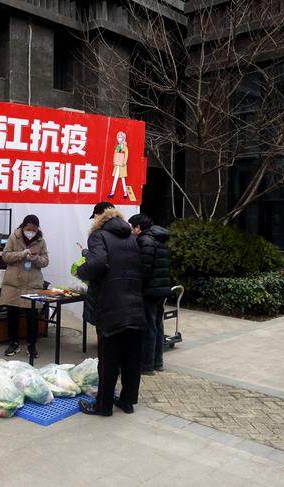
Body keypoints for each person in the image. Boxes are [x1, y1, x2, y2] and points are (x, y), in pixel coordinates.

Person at [76, 202, 145, 416]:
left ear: (98, 216)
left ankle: (103, 405)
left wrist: (81, 270)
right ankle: (127, 401)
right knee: (131, 358)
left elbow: (97, 264)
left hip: (111, 304)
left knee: (109, 358)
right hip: (134, 302)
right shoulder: (131, 237)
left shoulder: (98, 235)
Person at [0, 215, 49, 359]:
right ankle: (13, 342)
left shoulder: (41, 241)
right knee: (12, 313)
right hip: (13, 283)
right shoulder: (14, 237)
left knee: (32, 315)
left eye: (33, 230)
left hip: (32, 284)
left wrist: (36, 258)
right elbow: (5, 256)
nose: (31, 232)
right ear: (23, 227)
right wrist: (21, 254)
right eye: (28, 229)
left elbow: (45, 261)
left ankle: (32, 344)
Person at [128, 213, 171, 375]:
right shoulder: (159, 239)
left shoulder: (145, 241)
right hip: (161, 289)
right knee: (158, 325)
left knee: (149, 327)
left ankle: (146, 365)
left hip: (150, 290)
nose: (131, 230)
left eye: (132, 227)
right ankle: (157, 362)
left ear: (138, 227)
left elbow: (144, 269)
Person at [107, 131, 129, 199]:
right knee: (116, 178)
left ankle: (125, 192)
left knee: (122, 178)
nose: (119, 138)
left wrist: (124, 162)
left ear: (123, 138)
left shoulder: (125, 147)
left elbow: (126, 155)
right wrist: (114, 161)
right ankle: (112, 192)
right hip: (117, 164)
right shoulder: (118, 146)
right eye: (118, 137)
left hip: (122, 165)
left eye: (120, 137)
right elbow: (115, 153)